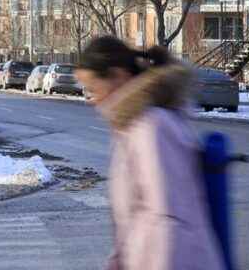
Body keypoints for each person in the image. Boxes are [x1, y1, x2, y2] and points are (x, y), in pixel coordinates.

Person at [75, 37, 223, 270]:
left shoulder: (152, 126)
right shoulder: (132, 127)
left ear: (118, 76)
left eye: (92, 88)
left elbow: (169, 221)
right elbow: (132, 222)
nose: (90, 99)